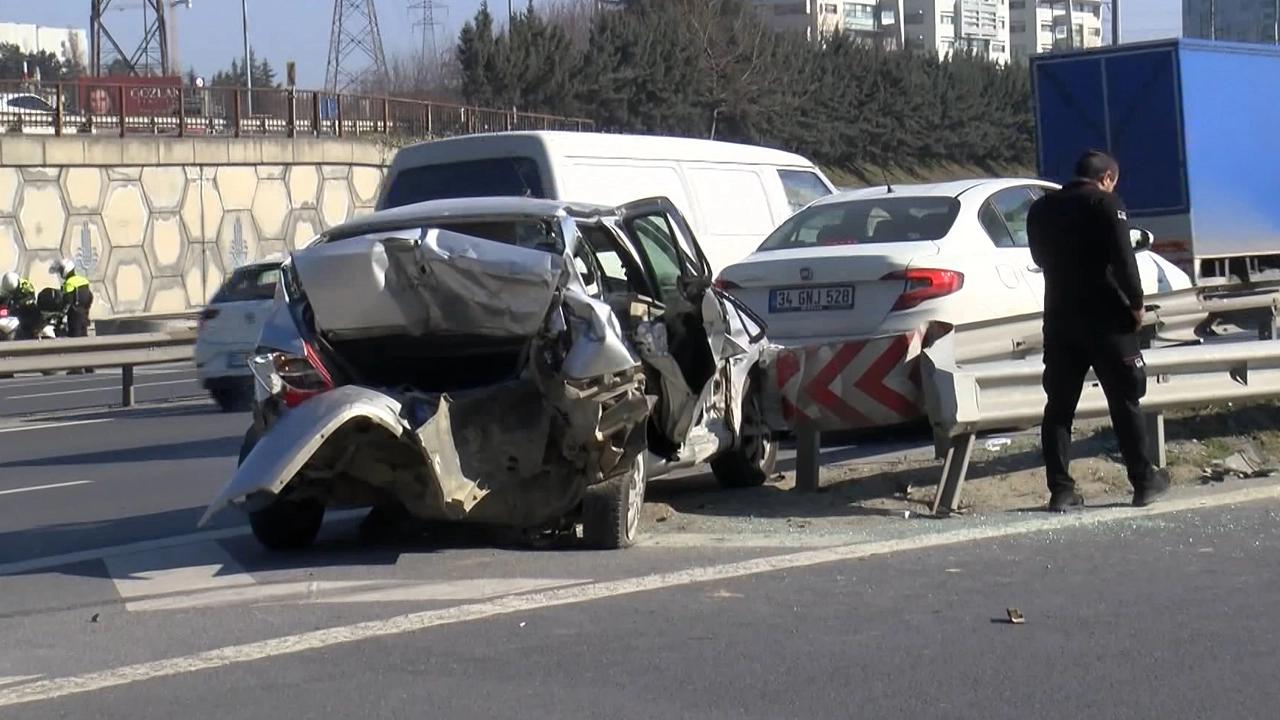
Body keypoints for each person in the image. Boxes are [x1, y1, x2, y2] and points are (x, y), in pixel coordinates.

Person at [1027, 150, 1171, 512]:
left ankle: (1061, 490)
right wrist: (1136, 304)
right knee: (1124, 399)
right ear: (1106, 177)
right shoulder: (1106, 204)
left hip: (1060, 318)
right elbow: (1124, 259)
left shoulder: (1041, 209)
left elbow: (1039, 258)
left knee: (1059, 407)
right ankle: (1143, 481)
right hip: (1107, 318)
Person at [50, 258, 95, 373]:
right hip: (84, 314)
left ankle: (76, 367)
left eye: (61, 270)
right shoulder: (83, 280)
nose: (60, 273)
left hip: (74, 315)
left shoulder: (69, 284)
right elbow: (90, 297)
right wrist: (86, 309)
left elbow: (67, 301)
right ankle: (89, 366)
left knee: (74, 340)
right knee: (84, 339)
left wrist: (60, 316)